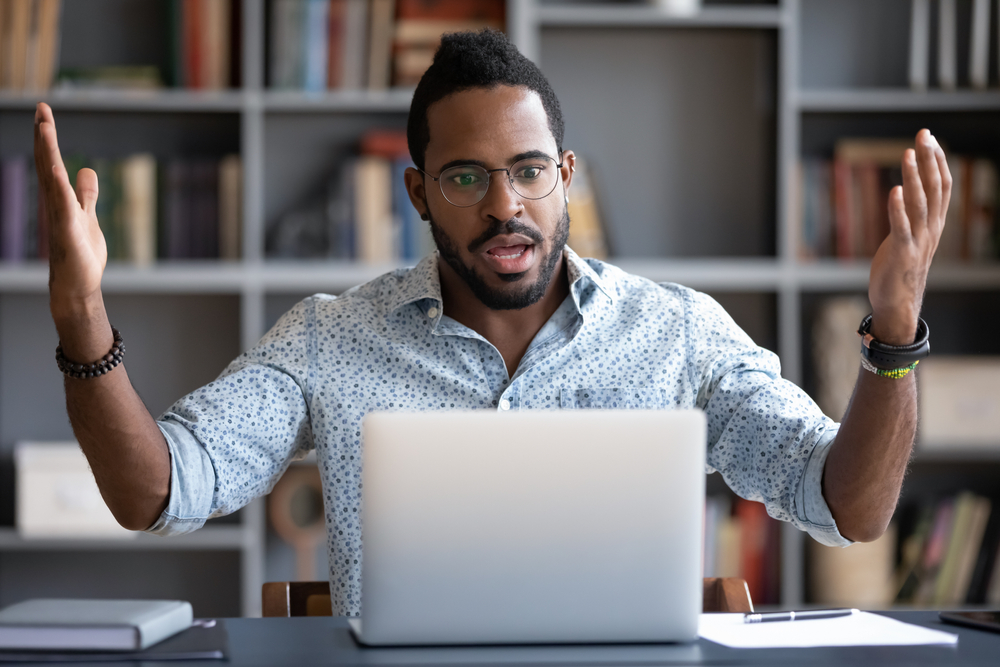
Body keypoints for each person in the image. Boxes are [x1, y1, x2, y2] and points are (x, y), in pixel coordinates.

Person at [34, 30, 949, 616]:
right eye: (467, 177)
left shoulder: (677, 332)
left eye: (529, 170)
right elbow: (160, 492)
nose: (505, 204)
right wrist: (82, 315)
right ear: (419, 191)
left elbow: (847, 507)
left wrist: (896, 335)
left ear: (566, 175)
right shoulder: (327, 337)